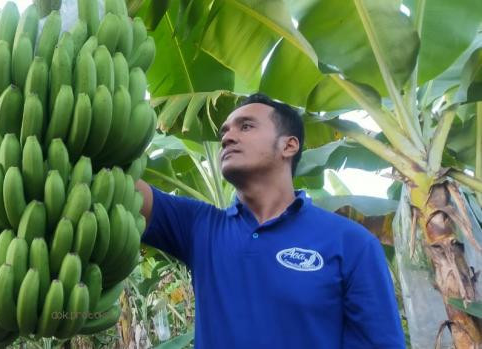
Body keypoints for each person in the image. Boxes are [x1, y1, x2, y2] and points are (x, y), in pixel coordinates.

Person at [135, 93, 405, 348]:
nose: (227, 138)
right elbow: (124, 187)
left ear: (289, 145)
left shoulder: (351, 243)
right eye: (225, 131)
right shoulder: (200, 227)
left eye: (246, 126)